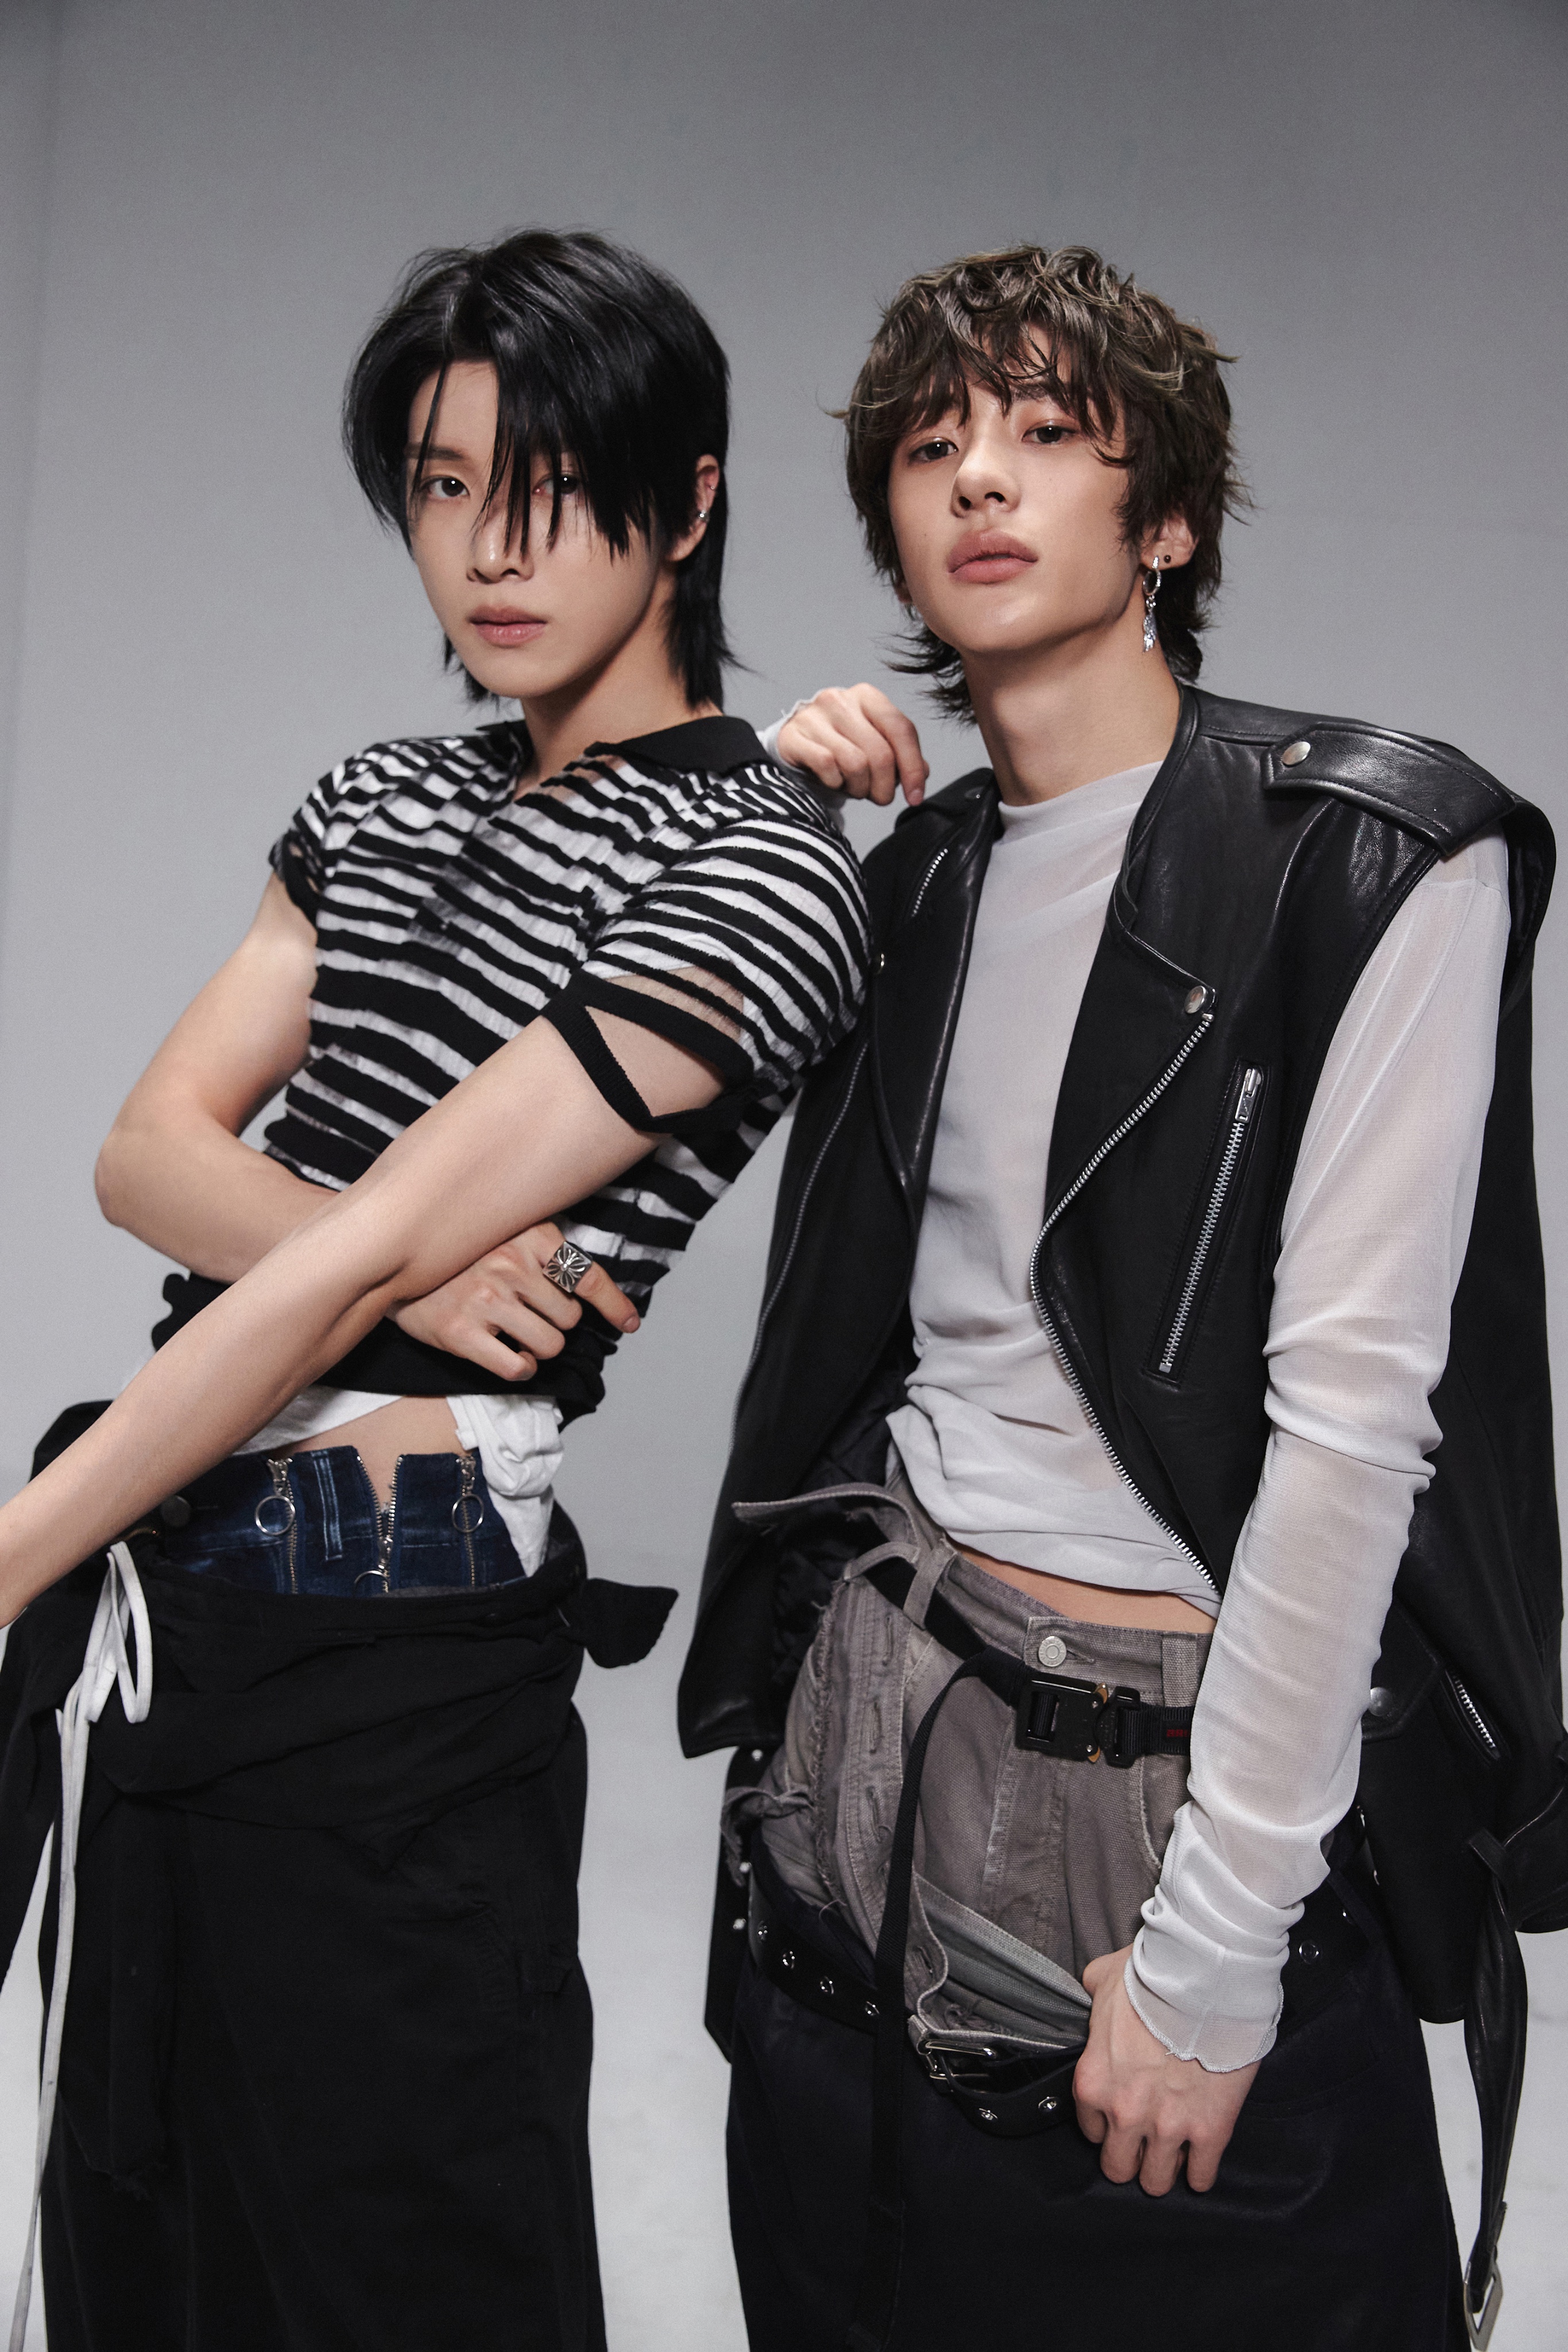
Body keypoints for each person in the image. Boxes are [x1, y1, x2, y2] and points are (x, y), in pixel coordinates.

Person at [683, 245, 1562, 2350]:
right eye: (929, 446)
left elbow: (1351, 1434)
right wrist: (745, 813)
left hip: (1159, 1803)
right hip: (856, 1747)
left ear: (1161, 518)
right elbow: (579, 1133)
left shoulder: (1371, 855)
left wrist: (1217, 1952)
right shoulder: (909, 880)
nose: (979, 479)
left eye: (1047, 434)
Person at [0, 227, 869, 2352]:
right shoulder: (376, 797)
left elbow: (325, 1246)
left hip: (400, 1664)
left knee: (411, 2281)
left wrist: (11, 1550)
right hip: (171, 1634)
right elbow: (141, 1155)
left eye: (551, 486)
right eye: (441, 483)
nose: (489, 548)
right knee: (143, 2266)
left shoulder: (758, 862)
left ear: (688, 501)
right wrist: (395, 1243)